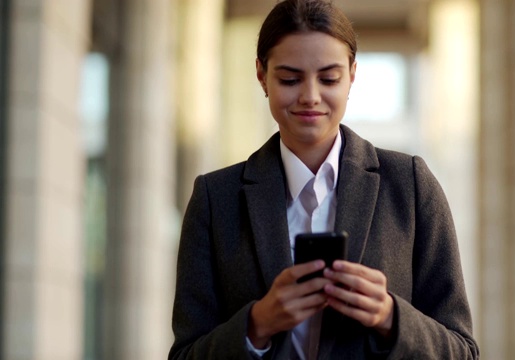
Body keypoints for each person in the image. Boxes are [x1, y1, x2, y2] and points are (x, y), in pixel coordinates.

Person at [169, 0, 478, 359]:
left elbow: (463, 351)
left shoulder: (410, 186)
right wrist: (256, 325)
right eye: (289, 78)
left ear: (352, 76)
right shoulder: (214, 199)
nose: (310, 97)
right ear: (261, 75)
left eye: (329, 78)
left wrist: (391, 318)